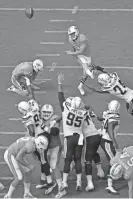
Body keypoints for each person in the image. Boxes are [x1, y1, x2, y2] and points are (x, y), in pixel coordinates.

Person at [57, 73, 89, 197]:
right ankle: (79, 181)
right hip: (80, 137)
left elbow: (60, 96)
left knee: (68, 159)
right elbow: (85, 107)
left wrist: (59, 83)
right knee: (78, 159)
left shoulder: (66, 108)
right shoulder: (83, 112)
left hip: (69, 137)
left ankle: (64, 182)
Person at [66, 25, 106, 95]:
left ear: (76, 32)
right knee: (85, 67)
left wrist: (72, 52)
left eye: (73, 33)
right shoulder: (70, 39)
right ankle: (88, 72)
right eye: (70, 34)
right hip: (79, 55)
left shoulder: (82, 38)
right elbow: (74, 48)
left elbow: (81, 51)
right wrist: (73, 53)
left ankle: (81, 84)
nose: (72, 36)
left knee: (87, 70)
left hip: (86, 54)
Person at [38, 104, 63, 196]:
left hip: (55, 146)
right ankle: (46, 182)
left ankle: (61, 188)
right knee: (44, 163)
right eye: (44, 112)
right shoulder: (39, 118)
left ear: (52, 113)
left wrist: (44, 127)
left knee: (53, 166)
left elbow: (55, 132)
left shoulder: (54, 119)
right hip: (46, 147)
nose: (46, 114)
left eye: (48, 112)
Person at [97, 100, 121, 195]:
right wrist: (114, 142)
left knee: (114, 160)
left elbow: (101, 119)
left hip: (104, 138)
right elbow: (110, 129)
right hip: (107, 141)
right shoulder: (115, 118)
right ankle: (109, 186)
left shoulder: (106, 113)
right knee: (113, 162)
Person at [82, 108, 105, 191]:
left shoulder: (76, 113)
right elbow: (91, 112)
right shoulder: (86, 111)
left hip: (89, 137)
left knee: (87, 160)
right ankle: (100, 171)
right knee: (94, 152)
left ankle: (90, 183)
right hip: (96, 135)